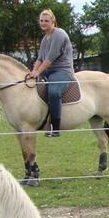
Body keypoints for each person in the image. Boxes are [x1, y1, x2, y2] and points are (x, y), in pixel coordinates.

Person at [26, 9, 74, 137]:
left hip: (62, 70)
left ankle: (55, 127)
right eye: (41, 21)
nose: (43, 23)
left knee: (53, 92)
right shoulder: (45, 38)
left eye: (46, 21)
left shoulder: (59, 34)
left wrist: (38, 72)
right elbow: (40, 58)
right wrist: (33, 72)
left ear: (53, 21)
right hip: (48, 70)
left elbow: (50, 59)